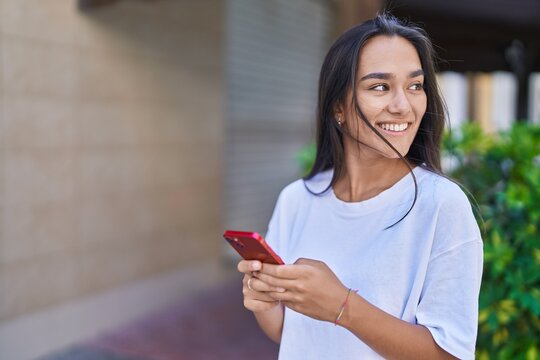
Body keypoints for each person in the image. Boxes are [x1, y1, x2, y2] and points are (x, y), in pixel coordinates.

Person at [237, 14, 483, 360]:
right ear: (338, 106)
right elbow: (286, 332)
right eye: (380, 87)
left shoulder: (441, 205)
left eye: (415, 86)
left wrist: (341, 305)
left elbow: (451, 355)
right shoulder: (297, 200)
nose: (403, 106)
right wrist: (263, 302)